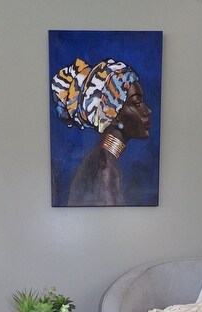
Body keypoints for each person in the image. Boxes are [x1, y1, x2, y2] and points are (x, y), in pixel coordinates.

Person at [51, 57, 152, 206]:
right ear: (112, 114)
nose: (147, 111)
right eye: (137, 103)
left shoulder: (102, 161)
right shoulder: (105, 169)